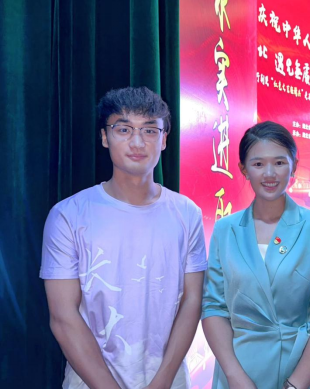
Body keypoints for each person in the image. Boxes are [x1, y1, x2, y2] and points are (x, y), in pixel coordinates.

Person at [40, 87, 207, 389]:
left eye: (150, 130)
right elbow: (63, 316)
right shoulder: (68, 215)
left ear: (164, 139)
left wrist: (163, 380)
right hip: (89, 381)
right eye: (124, 129)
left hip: (168, 380)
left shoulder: (187, 213)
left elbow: (192, 300)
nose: (138, 142)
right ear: (105, 137)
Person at [202, 121, 310, 389]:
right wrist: (234, 375)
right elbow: (213, 307)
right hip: (242, 369)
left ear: (294, 165)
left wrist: (296, 384)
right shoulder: (225, 229)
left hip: (306, 367)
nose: (269, 173)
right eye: (258, 164)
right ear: (243, 169)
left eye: (279, 162)